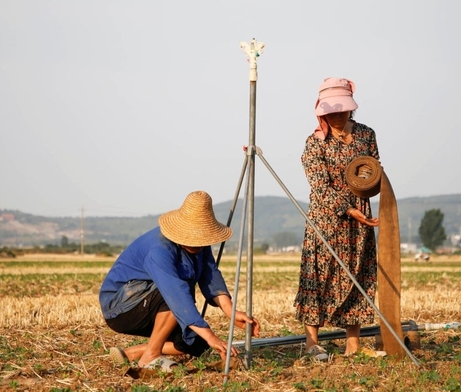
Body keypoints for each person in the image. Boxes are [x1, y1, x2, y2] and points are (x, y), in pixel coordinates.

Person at [100, 190, 260, 372]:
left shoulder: (201, 244)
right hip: (122, 307)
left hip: (159, 301)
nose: (198, 244)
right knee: (174, 300)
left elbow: (210, 275)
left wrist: (231, 312)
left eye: (201, 239)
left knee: (196, 344)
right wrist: (211, 335)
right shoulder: (159, 249)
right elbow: (175, 295)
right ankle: (150, 357)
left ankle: (132, 353)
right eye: (193, 238)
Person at [295, 77, 380, 361]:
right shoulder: (314, 144)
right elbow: (319, 187)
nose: (336, 116)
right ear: (321, 112)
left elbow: (374, 170)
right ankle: (311, 343)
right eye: (330, 112)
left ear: (350, 109)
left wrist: (367, 188)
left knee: (357, 275)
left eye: (341, 110)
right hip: (326, 219)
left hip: (359, 221)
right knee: (317, 277)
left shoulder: (366, 135)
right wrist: (348, 208)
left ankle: (353, 344)